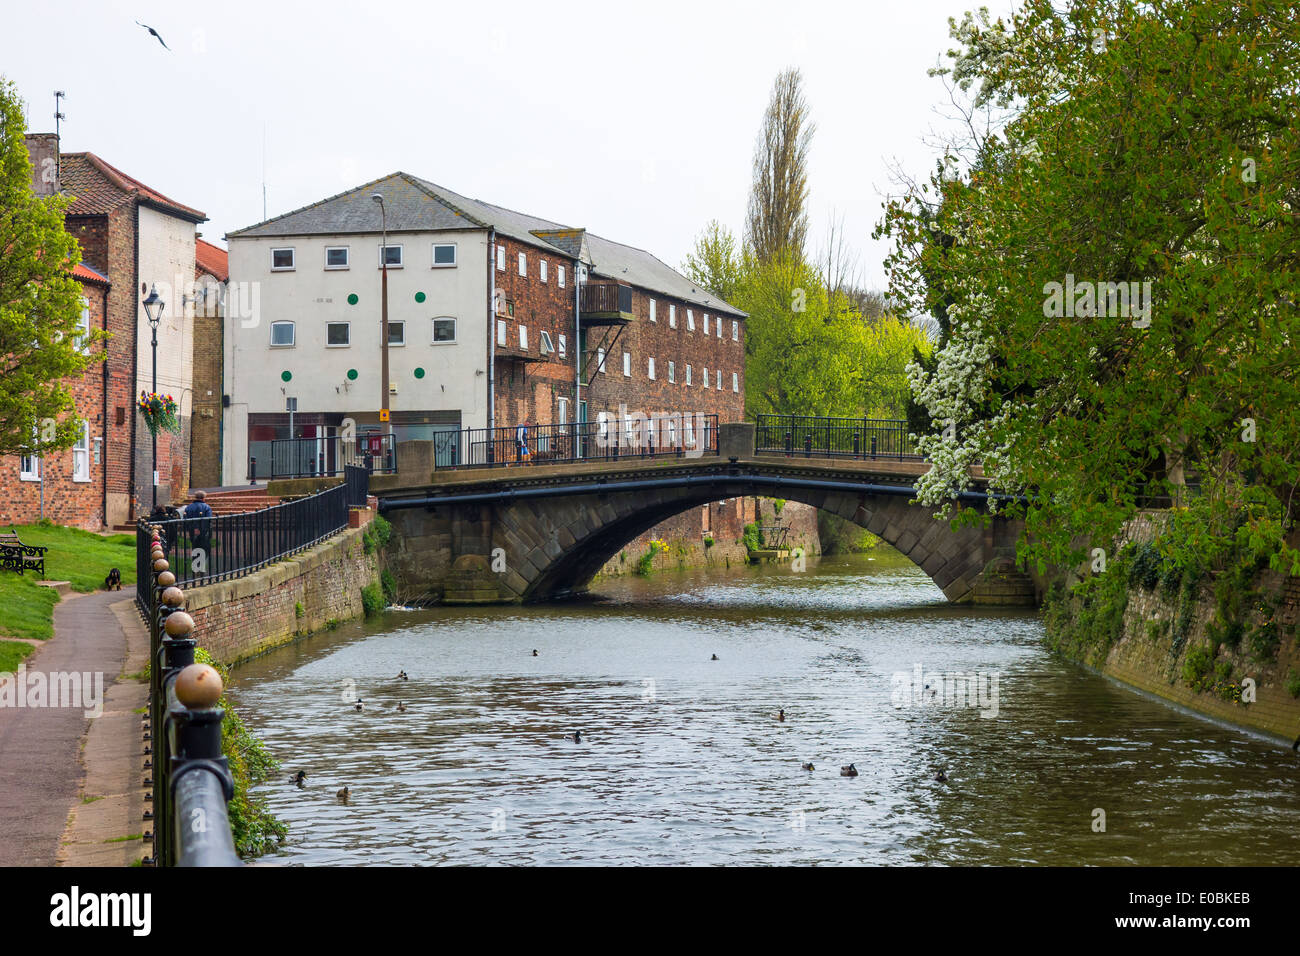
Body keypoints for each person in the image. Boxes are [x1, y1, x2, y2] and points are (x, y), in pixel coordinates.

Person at [183, 490, 214, 560]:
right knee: (204, 548)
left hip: (192, 531)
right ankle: (201, 566)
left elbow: (186, 520)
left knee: (195, 547)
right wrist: (200, 529)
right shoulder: (206, 507)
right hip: (204, 531)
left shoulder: (189, 507)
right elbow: (208, 520)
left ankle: (195, 567)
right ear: (203, 498)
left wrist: (193, 529)